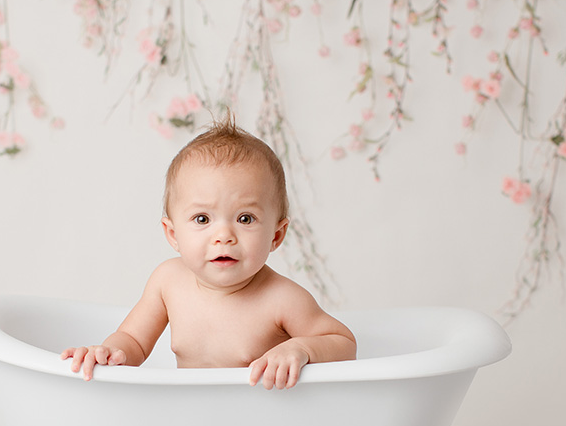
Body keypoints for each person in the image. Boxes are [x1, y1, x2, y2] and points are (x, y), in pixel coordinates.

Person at [61, 115, 356, 390]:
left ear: (276, 235)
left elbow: (343, 343)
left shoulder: (282, 299)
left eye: (245, 219)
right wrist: (111, 351)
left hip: (261, 424)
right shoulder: (168, 282)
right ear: (173, 234)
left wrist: (301, 349)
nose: (224, 236)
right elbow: (134, 341)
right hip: (192, 417)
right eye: (202, 219)